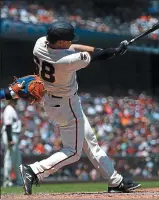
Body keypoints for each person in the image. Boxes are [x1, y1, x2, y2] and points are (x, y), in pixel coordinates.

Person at [19, 21, 141, 195]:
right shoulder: (67, 61)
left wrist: (105, 50)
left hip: (52, 101)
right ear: (60, 42)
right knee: (73, 152)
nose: (70, 42)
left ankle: (115, 181)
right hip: (66, 104)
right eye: (67, 40)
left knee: (90, 140)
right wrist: (114, 51)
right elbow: (98, 56)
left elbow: (74, 46)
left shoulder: (39, 44)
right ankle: (34, 170)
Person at [1, 99, 22, 187]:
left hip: (14, 135)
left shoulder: (12, 109)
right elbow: (8, 125)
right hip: (11, 135)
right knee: (9, 158)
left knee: (17, 159)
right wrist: (10, 139)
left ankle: (19, 181)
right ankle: (6, 181)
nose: (16, 102)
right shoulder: (8, 109)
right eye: (15, 100)